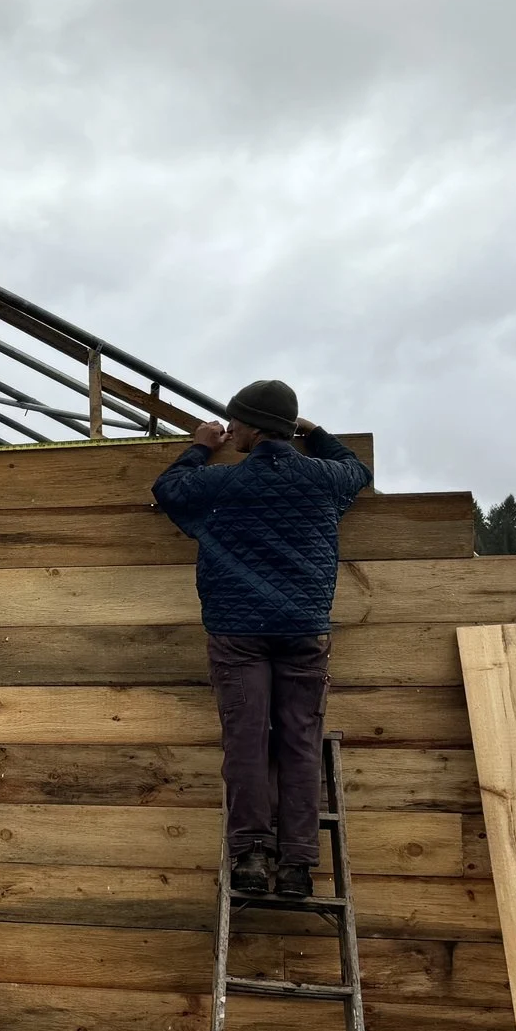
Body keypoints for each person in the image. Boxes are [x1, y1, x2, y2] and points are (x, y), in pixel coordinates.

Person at [152, 379, 372, 899]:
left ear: (249, 426)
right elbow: (359, 470)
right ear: (289, 428)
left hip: (238, 631)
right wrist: (314, 433)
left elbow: (168, 489)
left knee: (247, 740)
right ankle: (297, 864)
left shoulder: (225, 482)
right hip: (304, 628)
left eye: (236, 422)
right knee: (300, 742)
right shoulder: (323, 478)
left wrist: (202, 445)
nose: (233, 429)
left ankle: (251, 853)